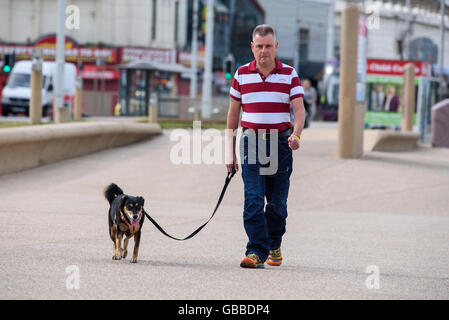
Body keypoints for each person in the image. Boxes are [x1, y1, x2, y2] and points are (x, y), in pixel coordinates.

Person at [226, 24, 306, 269]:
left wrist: (297, 136)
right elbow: (232, 117)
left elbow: (299, 111)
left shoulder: (290, 74)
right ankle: (255, 251)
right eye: (259, 46)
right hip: (251, 142)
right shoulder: (241, 74)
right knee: (252, 198)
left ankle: (274, 243)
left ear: (276, 47)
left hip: (280, 143)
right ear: (252, 47)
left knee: (276, 204)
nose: (264, 51)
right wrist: (229, 153)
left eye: (268, 46)